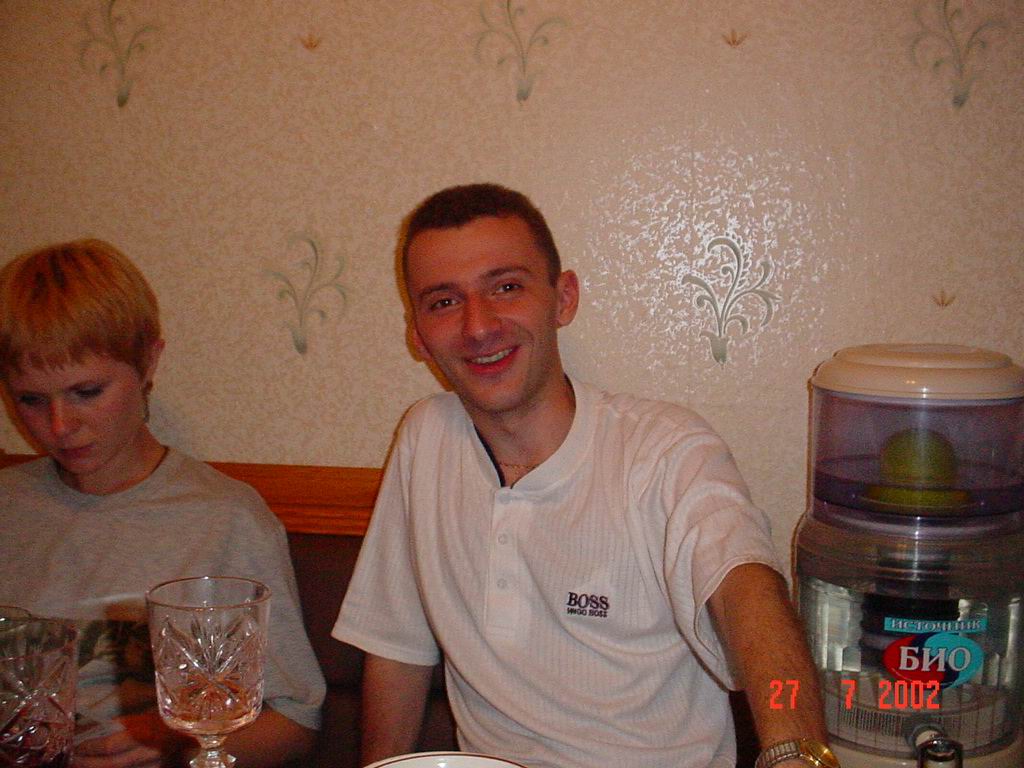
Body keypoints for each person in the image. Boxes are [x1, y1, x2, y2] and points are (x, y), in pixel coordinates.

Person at [333, 184, 836, 768]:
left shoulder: (663, 449)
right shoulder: (425, 438)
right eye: (444, 302)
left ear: (563, 299)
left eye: (506, 287)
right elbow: (396, 645)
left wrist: (794, 750)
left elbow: (748, 595)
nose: (478, 327)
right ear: (418, 335)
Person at [0, 239, 326, 767]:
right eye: (30, 400)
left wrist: (175, 744)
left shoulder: (225, 518)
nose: (60, 426)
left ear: (149, 361)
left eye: (87, 392)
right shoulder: (10, 508)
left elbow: (294, 722)